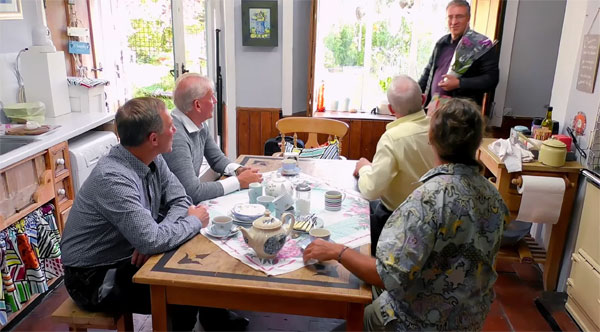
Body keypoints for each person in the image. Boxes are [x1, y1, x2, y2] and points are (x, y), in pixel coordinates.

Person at [304, 98, 509, 331]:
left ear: (431, 137)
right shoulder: (493, 195)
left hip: (418, 322)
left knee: (343, 315)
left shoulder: (428, 199)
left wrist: (337, 251)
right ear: (476, 143)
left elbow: (387, 276)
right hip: (469, 320)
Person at [60, 97, 248, 331]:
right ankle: (208, 319)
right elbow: (154, 237)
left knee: (197, 265)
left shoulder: (152, 157)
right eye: (170, 125)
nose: (175, 129)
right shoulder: (114, 179)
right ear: (153, 138)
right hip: (91, 278)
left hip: (123, 255)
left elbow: (181, 199)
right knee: (182, 291)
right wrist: (189, 222)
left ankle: (214, 319)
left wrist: (153, 234)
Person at [353, 75, 435, 256]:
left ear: (391, 109)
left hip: (398, 220)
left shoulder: (393, 138)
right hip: (434, 219)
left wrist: (365, 168)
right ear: (423, 99)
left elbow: (371, 190)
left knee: (354, 219)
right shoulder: (439, 129)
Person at [163, 73, 262, 204]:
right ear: (197, 105)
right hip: (170, 211)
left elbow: (217, 159)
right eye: (211, 97)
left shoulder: (199, 123)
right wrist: (239, 182)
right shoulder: (175, 136)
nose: (215, 101)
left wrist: (239, 170)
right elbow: (192, 192)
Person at [418, 0, 499, 109]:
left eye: (459, 16)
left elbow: (491, 80)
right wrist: (415, 94)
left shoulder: (481, 44)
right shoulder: (441, 43)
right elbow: (428, 73)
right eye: (450, 17)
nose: (454, 21)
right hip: (434, 110)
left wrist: (459, 83)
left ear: (468, 18)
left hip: (462, 115)